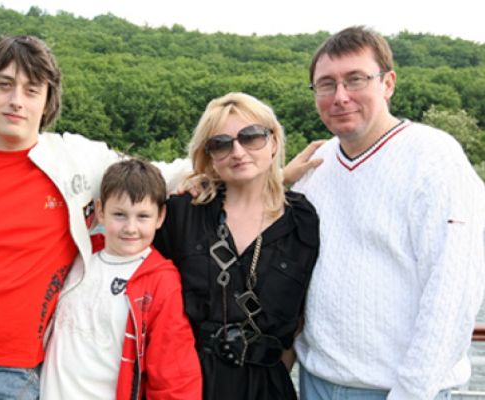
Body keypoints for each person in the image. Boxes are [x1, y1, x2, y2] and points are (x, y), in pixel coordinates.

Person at [0, 35, 191, 399]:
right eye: (4, 85)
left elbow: (154, 177)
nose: (16, 100)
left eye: (32, 90)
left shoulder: (75, 161)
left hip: (15, 373)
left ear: (47, 102)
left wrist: (216, 172)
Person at [293, 26, 485, 400]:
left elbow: (453, 290)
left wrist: (411, 392)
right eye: (326, 84)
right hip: (316, 381)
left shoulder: (434, 159)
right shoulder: (315, 167)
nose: (340, 96)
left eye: (356, 79)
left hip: (397, 390)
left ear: (388, 83)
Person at [154, 92, 320, 399]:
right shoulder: (182, 213)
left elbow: (299, 319)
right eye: (221, 144)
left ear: (273, 142)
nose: (238, 151)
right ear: (210, 156)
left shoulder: (302, 220)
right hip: (188, 384)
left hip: (267, 387)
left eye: (251, 137)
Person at [40, 159, 202, 399]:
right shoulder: (78, 256)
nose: (130, 228)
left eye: (143, 216)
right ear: (100, 211)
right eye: (119, 215)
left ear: (160, 216)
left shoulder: (160, 281)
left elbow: (174, 374)